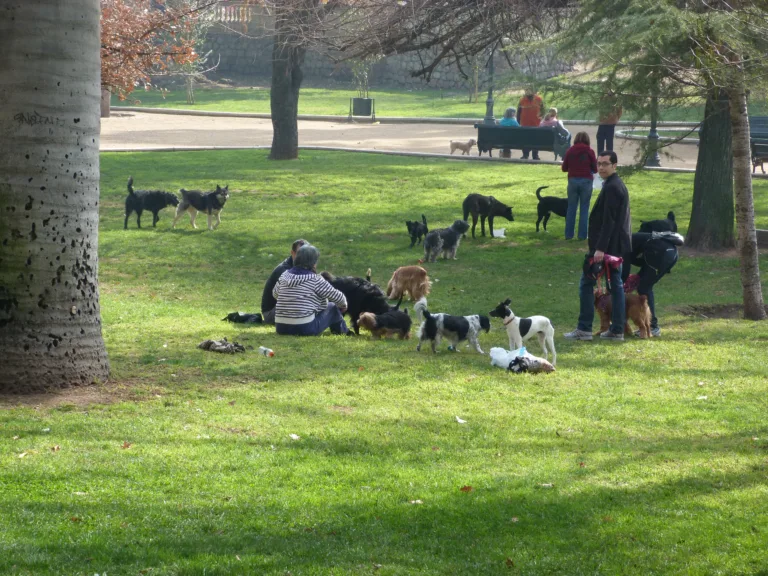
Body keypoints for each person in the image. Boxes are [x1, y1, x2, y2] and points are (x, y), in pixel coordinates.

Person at [564, 150, 632, 341]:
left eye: (605, 164)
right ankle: (617, 329)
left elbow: (609, 221)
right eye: (599, 163)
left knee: (587, 283)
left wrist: (600, 249)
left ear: (615, 166)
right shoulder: (614, 185)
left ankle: (585, 329)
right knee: (616, 286)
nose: (601, 167)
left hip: (608, 247)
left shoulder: (612, 187)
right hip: (615, 245)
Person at [273, 244, 349, 336]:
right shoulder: (315, 279)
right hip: (304, 328)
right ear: (314, 263)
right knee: (332, 307)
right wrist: (343, 305)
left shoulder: (284, 275)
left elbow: (275, 294)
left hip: (281, 327)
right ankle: (342, 331)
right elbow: (339, 297)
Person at [625, 231, 680, 337]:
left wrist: (622, 284)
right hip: (666, 253)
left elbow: (625, 271)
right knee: (641, 284)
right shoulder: (629, 242)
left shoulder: (622, 246)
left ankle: (653, 327)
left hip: (662, 254)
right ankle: (650, 325)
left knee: (644, 288)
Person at [261, 238, 308, 324]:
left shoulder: (303, 268)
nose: (303, 258)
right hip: (271, 313)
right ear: (292, 253)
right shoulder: (284, 271)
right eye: (299, 254)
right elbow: (291, 297)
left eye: (305, 254)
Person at [561, 132, 597, 241]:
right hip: (586, 180)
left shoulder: (570, 151)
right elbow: (595, 169)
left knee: (571, 208)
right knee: (584, 208)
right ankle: (582, 235)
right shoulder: (589, 151)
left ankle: (568, 235)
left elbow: (564, 168)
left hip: (572, 181)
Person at [516, 87, 544, 160]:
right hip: (525, 124)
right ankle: (525, 155)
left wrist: (540, 119)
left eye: (529, 90)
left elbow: (542, 110)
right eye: (526, 90)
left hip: (536, 124)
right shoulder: (522, 100)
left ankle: (535, 155)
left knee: (535, 140)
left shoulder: (539, 99)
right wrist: (518, 122)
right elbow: (519, 112)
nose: (528, 92)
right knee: (525, 140)